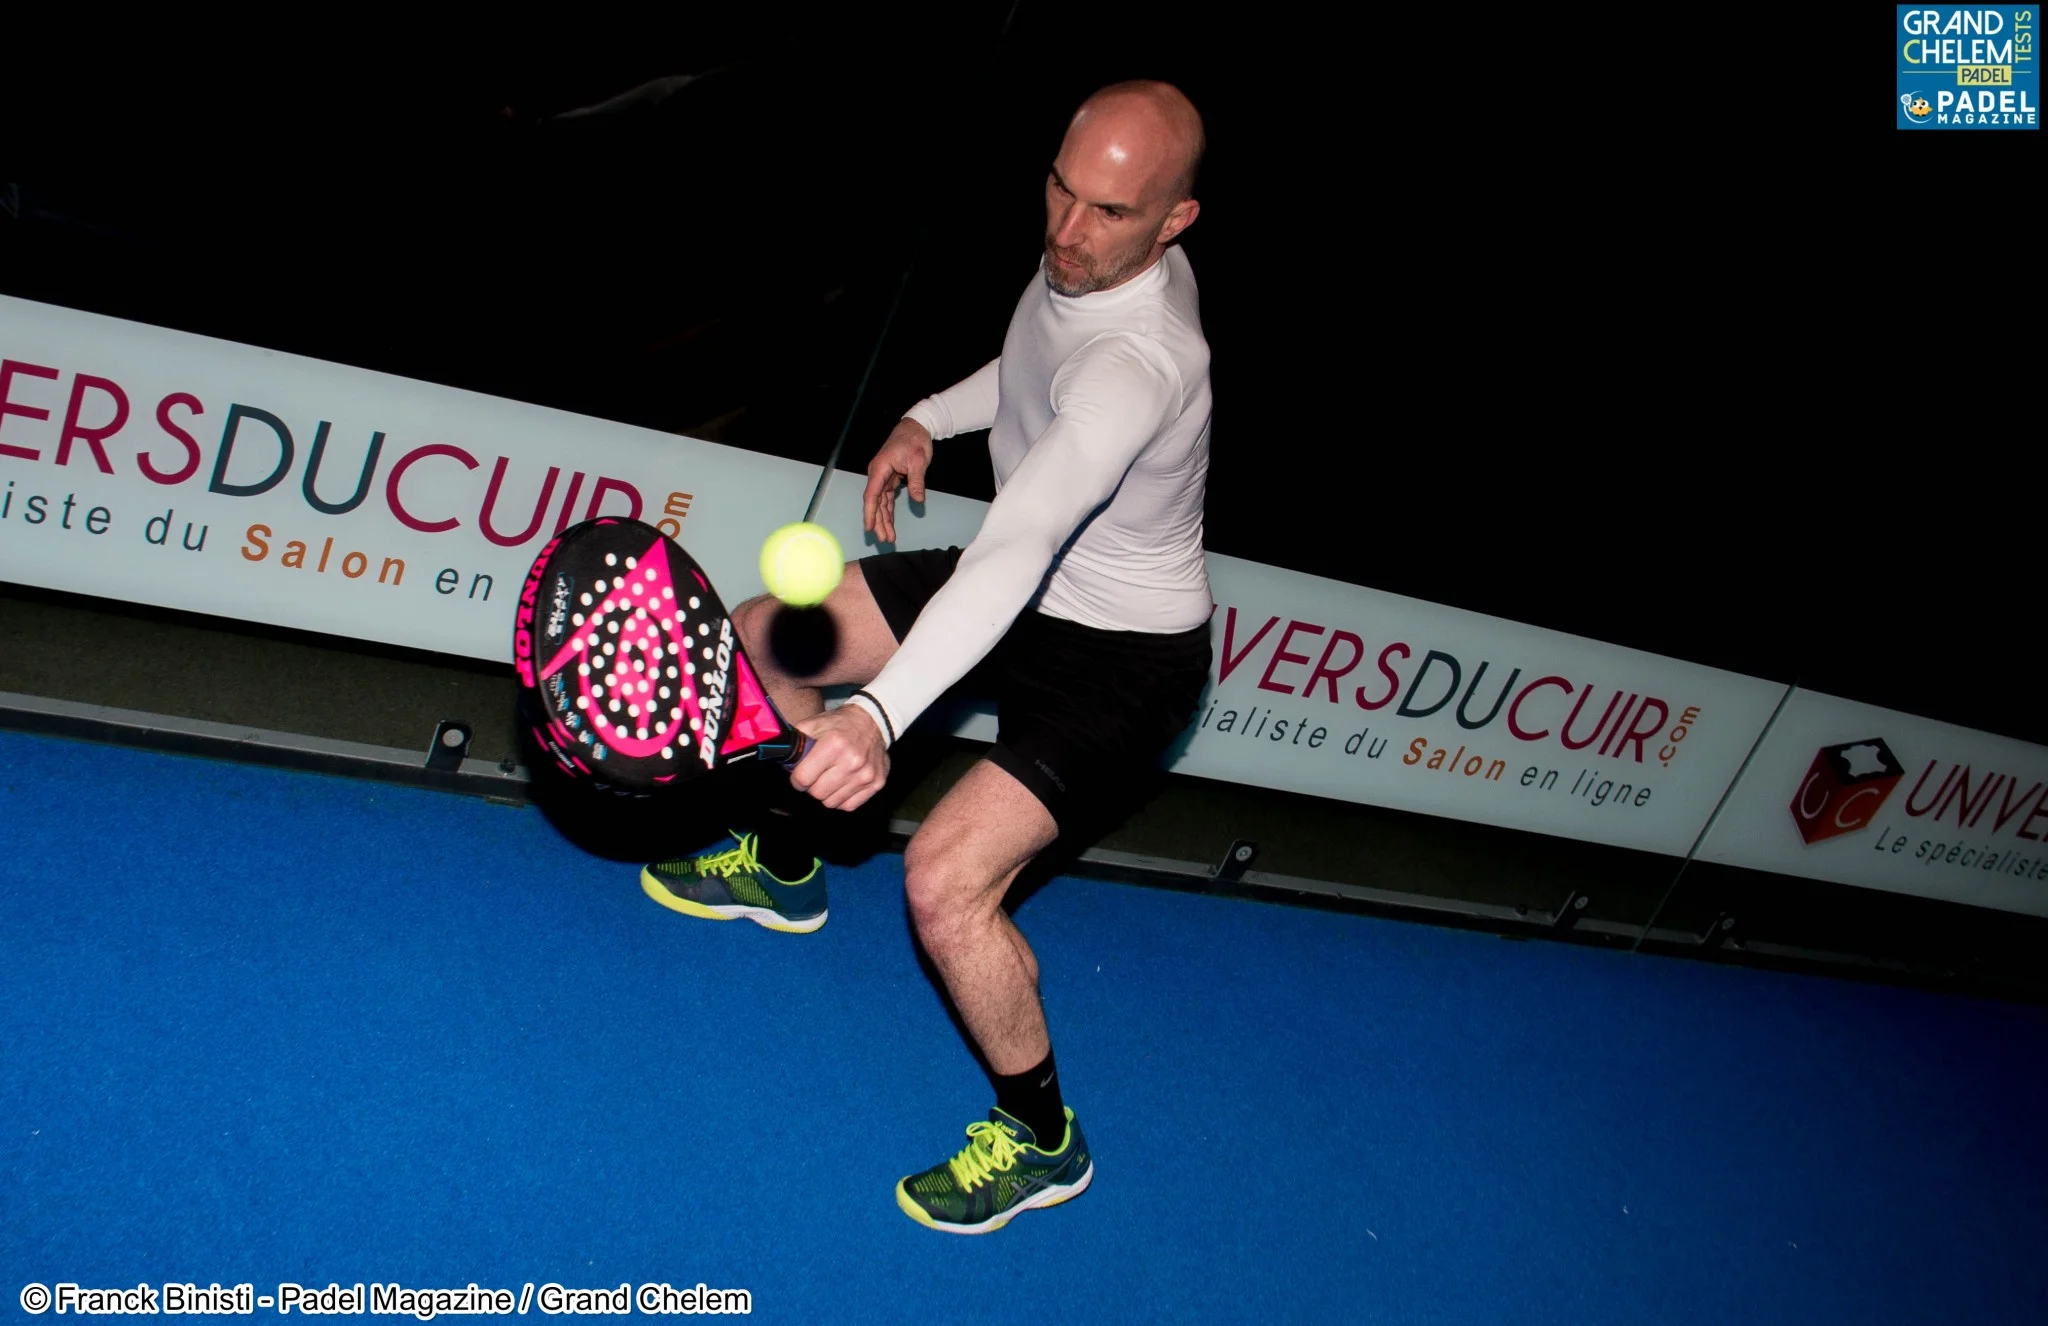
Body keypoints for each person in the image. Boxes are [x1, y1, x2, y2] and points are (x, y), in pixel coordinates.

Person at [640, 79, 1214, 1234]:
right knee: (761, 637)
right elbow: (1032, 362)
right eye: (1058, 189)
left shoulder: (1143, 365)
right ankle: (786, 862)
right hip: (1030, 583)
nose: (1066, 231)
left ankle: (1042, 1139)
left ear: (1174, 221)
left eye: (1106, 212)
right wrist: (928, 417)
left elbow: (1016, 544)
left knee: (945, 889)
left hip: (1122, 657)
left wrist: (876, 717)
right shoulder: (1093, 263)